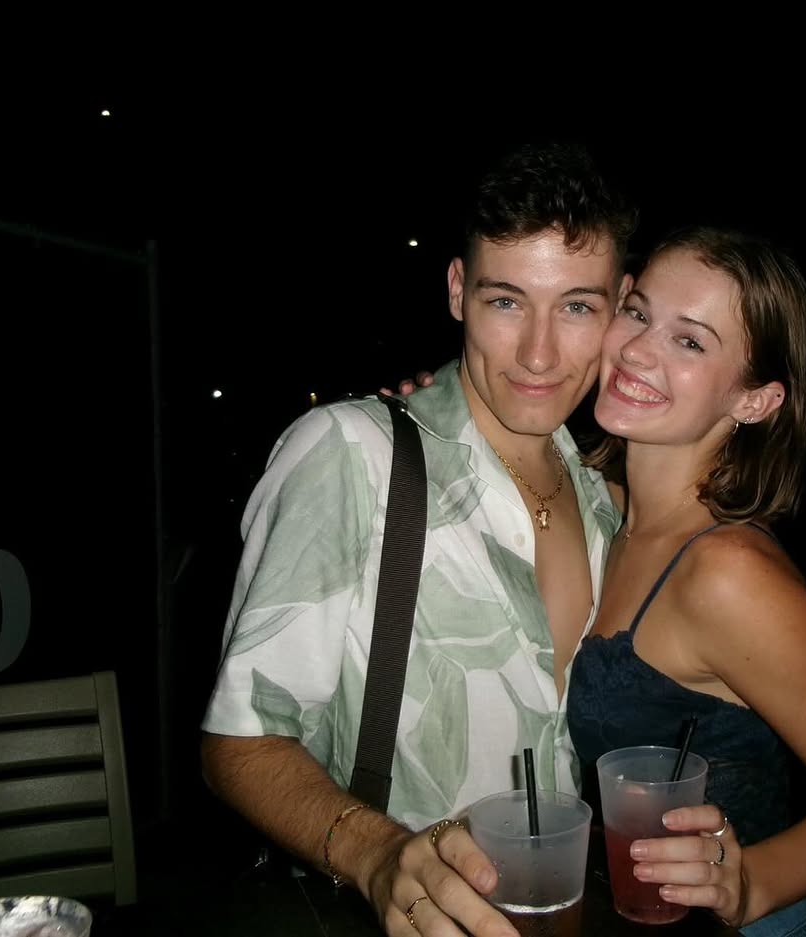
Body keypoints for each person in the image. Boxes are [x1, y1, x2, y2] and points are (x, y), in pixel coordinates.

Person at [199, 142, 636, 937]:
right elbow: (240, 743)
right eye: (507, 302)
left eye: (577, 307)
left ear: (621, 308)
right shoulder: (350, 454)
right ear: (459, 291)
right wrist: (376, 854)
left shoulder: (605, 503)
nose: (539, 353)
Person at [565, 225, 806, 934]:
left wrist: (750, 880)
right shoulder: (604, 507)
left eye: (689, 341)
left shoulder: (727, 575)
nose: (637, 350)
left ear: (753, 401)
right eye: (638, 312)